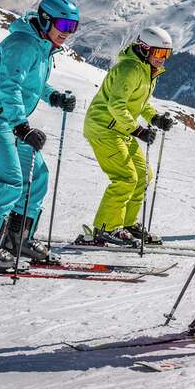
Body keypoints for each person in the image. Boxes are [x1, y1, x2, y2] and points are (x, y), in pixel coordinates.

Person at [0, 0, 79, 270]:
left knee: (38, 175)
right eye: (63, 25)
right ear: (45, 19)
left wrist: (54, 96)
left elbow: (30, 84)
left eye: (73, 27)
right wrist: (22, 126)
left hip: (8, 119)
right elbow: (8, 87)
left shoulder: (42, 45)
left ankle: (17, 239)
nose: (67, 33)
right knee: (10, 182)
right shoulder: (22, 45)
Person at [77, 26, 174, 248]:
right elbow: (117, 106)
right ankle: (106, 227)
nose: (163, 59)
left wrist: (155, 118)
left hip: (121, 129)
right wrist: (138, 131)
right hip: (103, 127)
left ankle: (127, 224)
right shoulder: (129, 69)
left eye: (167, 54)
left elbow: (139, 103)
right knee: (125, 177)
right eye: (159, 53)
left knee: (143, 175)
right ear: (145, 48)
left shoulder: (147, 70)